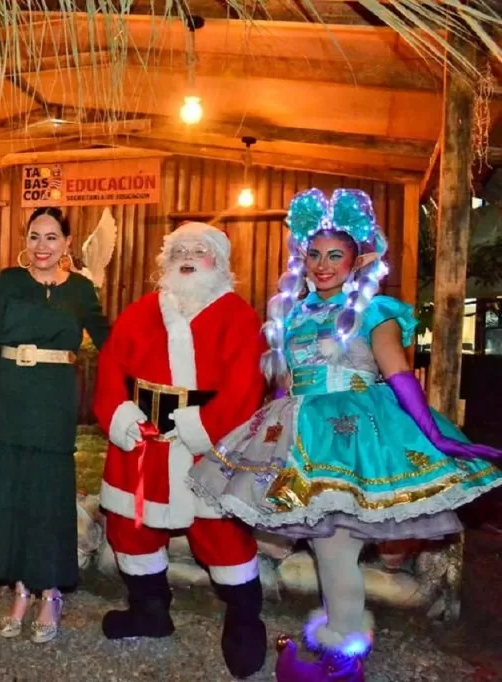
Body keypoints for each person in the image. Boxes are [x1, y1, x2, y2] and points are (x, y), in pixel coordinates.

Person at [189, 188, 502, 681]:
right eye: (313, 254)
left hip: (355, 437)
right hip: (303, 436)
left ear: (360, 258)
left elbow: (399, 375)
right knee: (324, 546)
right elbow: (287, 386)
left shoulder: (375, 312)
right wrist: (267, 446)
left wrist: (437, 437)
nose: (322, 264)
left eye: (335, 254)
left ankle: (343, 659)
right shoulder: (291, 315)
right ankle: (340, 644)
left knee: (334, 547)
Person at [93, 222, 269, 679]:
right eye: (180, 250)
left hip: (208, 448)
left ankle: (244, 621)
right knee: (132, 530)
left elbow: (246, 385)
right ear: (166, 262)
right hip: (144, 445)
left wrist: (201, 428)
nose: (189, 257)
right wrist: (121, 416)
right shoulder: (142, 310)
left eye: (201, 250)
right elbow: (111, 366)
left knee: (223, 538)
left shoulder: (238, 315)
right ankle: (150, 612)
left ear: (221, 263)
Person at [0, 207, 109, 643]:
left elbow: (109, 338)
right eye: (35, 236)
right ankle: (20, 590)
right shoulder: (9, 281)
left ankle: (50, 593)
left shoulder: (80, 289)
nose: (42, 246)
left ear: (66, 244)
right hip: (11, 395)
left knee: (48, 495)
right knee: (11, 490)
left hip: (54, 398)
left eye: (52, 237)